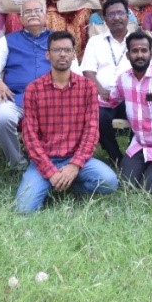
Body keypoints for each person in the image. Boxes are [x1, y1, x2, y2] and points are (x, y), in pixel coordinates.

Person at [14, 31, 119, 213]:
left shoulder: (87, 87)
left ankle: (68, 184)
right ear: (48, 54)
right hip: (45, 160)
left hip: (77, 159)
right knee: (24, 209)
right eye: (57, 50)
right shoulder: (34, 89)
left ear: (74, 54)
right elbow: (30, 137)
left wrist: (74, 165)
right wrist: (50, 171)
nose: (62, 54)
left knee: (109, 182)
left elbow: (92, 132)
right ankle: (52, 183)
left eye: (67, 50)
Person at [101, 32, 152, 191]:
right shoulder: (124, 79)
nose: (140, 55)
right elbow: (109, 100)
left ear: (151, 53)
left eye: (144, 50)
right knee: (126, 187)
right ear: (128, 55)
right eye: (135, 51)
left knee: (147, 189)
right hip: (140, 145)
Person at [0, 0, 52, 171]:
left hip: (52, 98)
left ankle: (52, 158)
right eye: (27, 12)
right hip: (15, 97)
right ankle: (17, 163)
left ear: (45, 16)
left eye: (37, 10)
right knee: (3, 118)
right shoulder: (7, 41)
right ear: (20, 19)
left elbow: (75, 71)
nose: (33, 14)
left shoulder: (57, 39)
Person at [80, 0, 134, 167]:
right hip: (103, 96)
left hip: (130, 95)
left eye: (120, 13)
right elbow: (88, 70)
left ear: (128, 16)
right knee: (99, 117)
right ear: (104, 19)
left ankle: (134, 155)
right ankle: (116, 157)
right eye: (111, 14)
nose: (116, 18)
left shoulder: (138, 40)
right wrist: (100, 89)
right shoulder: (95, 42)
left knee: (140, 112)